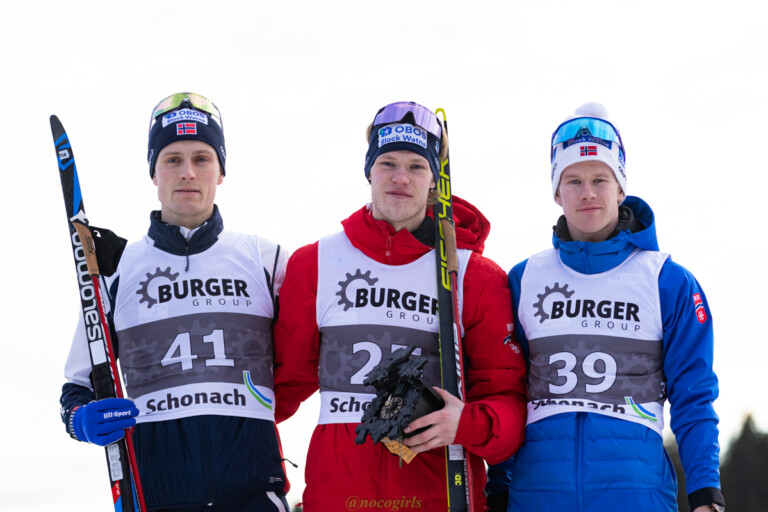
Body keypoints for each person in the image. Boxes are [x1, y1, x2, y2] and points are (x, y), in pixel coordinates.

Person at [272, 101, 527, 511]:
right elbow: (277, 392)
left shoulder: (475, 276)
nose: (400, 178)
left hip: (437, 497)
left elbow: (509, 406)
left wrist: (468, 423)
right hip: (338, 499)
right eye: (388, 163)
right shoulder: (314, 264)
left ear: (434, 180)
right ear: (368, 170)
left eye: (416, 166)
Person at [486, 102, 725, 512]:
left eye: (600, 178)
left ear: (620, 188)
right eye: (573, 180)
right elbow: (506, 388)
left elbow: (694, 395)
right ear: (557, 192)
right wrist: (498, 487)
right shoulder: (525, 278)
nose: (588, 193)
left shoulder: (667, 280)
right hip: (538, 495)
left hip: (637, 495)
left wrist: (705, 495)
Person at [59, 92, 291, 512]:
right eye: (172, 159)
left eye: (202, 158)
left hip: (254, 496)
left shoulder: (265, 259)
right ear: (154, 173)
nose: (187, 173)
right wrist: (83, 422)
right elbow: (76, 388)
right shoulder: (115, 270)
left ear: (221, 171)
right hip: (154, 496)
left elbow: (316, 353)